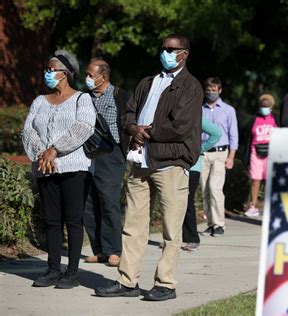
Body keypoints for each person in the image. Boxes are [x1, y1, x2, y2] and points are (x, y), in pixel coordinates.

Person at [95, 34, 202, 301]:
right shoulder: (148, 82)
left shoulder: (191, 86)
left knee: (170, 230)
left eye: (172, 49)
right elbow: (128, 113)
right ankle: (126, 281)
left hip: (171, 163)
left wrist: (146, 133)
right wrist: (132, 128)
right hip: (140, 162)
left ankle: (165, 284)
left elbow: (181, 126)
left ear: (185, 54)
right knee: (133, 226)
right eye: (163, 48)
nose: (165, 53)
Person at [21, 50, 96, 289]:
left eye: (51, 70)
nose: (47, 73)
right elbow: (28, 130)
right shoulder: (39, 101)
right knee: (52, 221)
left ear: (65, 73)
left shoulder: (81, 99)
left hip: (74, 168)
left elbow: (84, 128)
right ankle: (53, 269)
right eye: (47, 69)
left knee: (73, 220)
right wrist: (42, 154)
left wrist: (55, 150)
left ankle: (72, 273)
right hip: (45, 168)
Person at [82, 60, 131, 267]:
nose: (88, 78)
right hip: (85, 155)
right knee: (88, 205)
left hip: (111, 156)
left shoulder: (121, 96)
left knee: (109, 202)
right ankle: (99, 250)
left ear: (104, 77)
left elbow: (130, 124)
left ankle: (114, 250)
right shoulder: (83, 98)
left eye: (91, 75)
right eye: (87, 74)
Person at [200, 77, 239, 237]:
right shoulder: (199, 109)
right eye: (209, 90)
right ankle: (210, 223)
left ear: (220, 90)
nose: (211, 92)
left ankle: (219, 224)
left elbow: (233, 135)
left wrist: (231, 157)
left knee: (215, 188)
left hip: (220, 153)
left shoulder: (228, 110)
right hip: (203, 153)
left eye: (214, 90)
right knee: (204, 189)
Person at [181, 117, 221, 251]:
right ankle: (171, 238)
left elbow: (216, 133)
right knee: (170, 202)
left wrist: (200, 148)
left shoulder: (197, 114)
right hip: (173, 164)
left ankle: (192, 238)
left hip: (192, 166)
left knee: (187, 201)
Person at [243, 94, 278, 217]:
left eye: (267, 106)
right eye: (262, 106)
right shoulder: (254, 119)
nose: (265, 108)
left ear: (271, 107)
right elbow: (248, 137)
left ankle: (269, 205)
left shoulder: (275, 120)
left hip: (271, 153)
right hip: (255, 152)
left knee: (269, 180)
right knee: (255, 179)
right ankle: (253, 205)